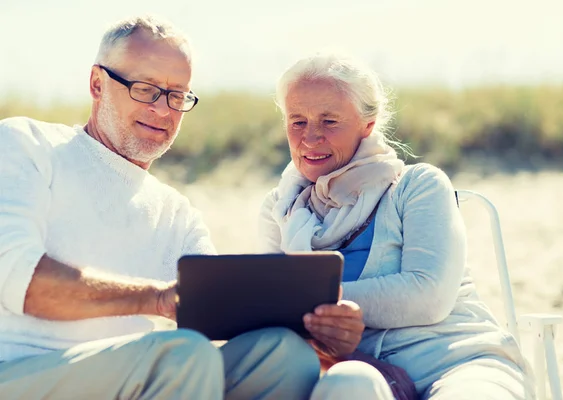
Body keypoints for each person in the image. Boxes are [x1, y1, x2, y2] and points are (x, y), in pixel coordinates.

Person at [0, 15, 322, 399]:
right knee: (185, 357)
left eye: (177, 95)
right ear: (97, 84)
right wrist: (155, 299)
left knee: (285, 357)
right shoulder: (26, 144)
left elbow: (219, 313)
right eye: (146, 89)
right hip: (19, 371)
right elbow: (18, 279)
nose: (164, 110)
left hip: (130, 377)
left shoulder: (177, 213)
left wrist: (317, 328)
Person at [258, 53, 536, 399]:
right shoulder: (281, 208)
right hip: (353, 371)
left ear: (367, 125)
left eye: (330, 121)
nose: (311, 138)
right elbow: (269, 309)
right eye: (297, 122)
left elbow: (428, 295)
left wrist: (316, 304)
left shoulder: (417, 185)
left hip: (455, 362)